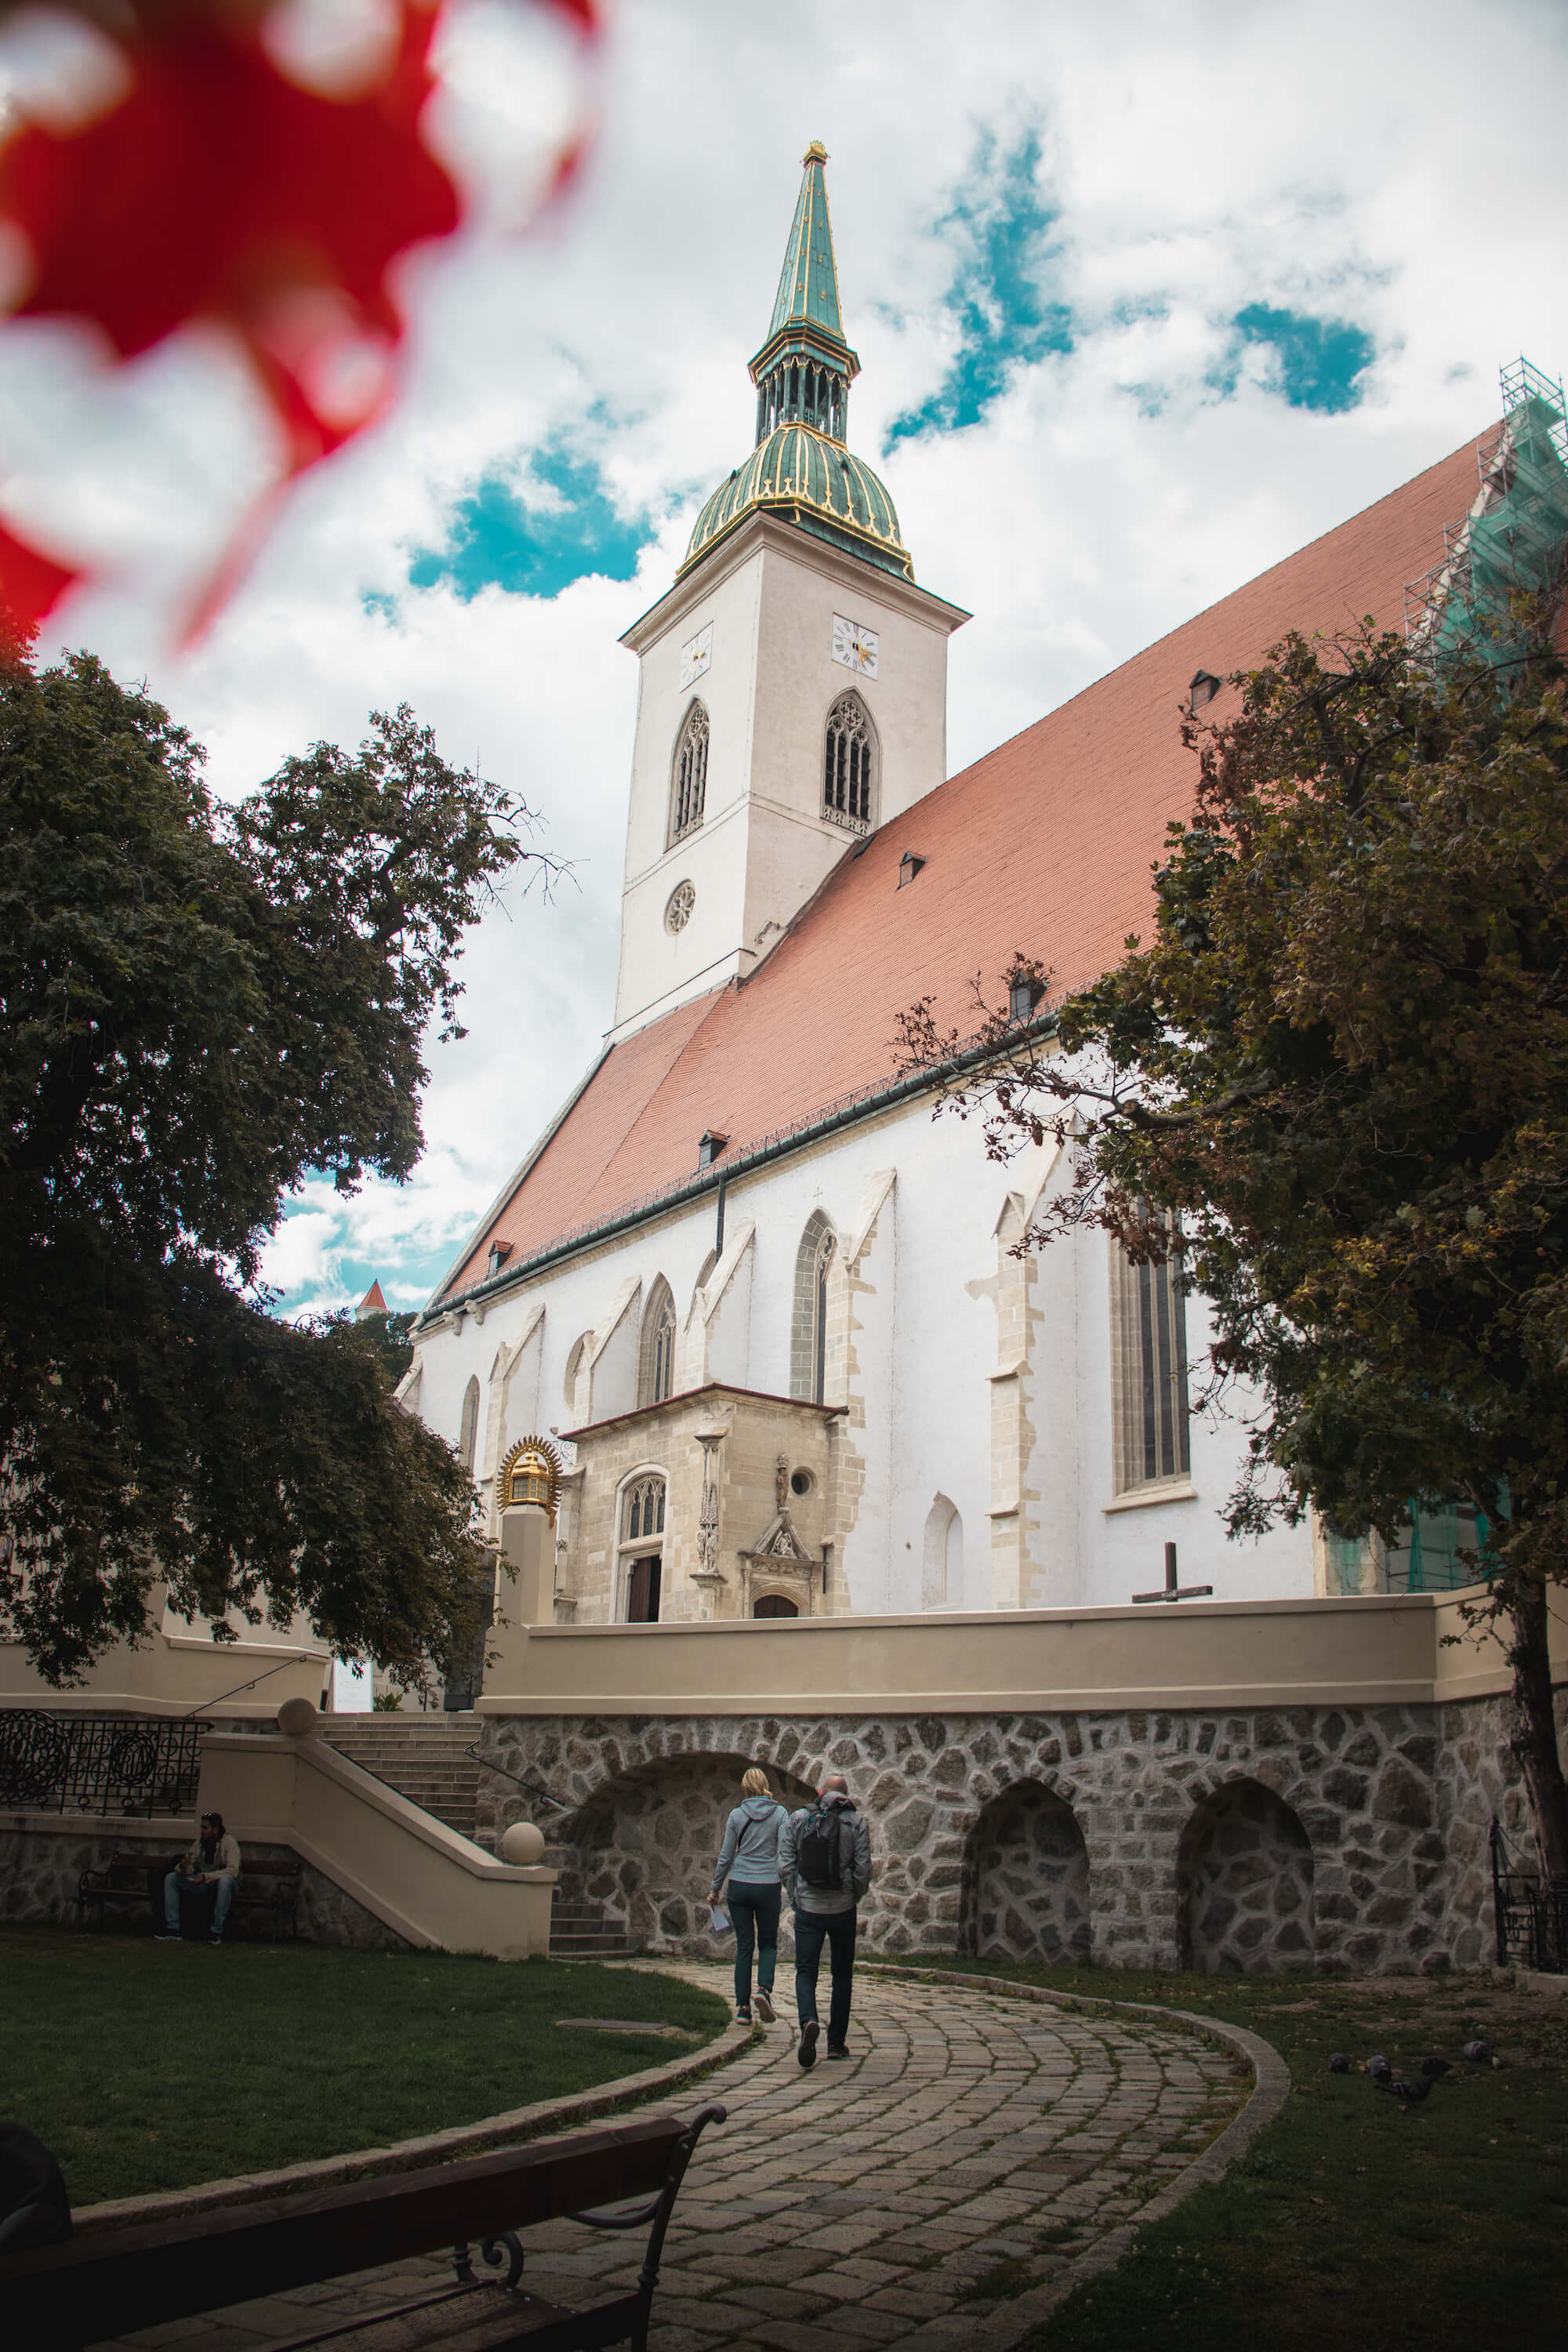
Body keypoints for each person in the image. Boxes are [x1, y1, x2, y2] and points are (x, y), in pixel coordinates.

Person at [778, 1771, 872, 2068]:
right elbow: (863, 1869)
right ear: (845, 1795)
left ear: (820, 1792)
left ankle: (808, 2020)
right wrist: (853, 1896)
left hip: (808, 1908)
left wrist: (796, 1896)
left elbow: (786, 1864)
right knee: (842, 1975)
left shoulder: (798, 1819)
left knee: (806, 1970)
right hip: (843, 1909)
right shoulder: (857, 1822)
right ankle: (835, 2044)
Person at [708, 1766, 786, 2024]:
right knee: (768, 1943)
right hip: (767, 1886)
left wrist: (715, 1888)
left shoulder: (736, 1816)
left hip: (740, 1885)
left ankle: (742, 2009)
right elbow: (784, 1854)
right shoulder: (780, 1814)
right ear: (764, 1785)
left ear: (744, 1788)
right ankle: (763, 1989)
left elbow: (726, 1856)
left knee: (744, 1946)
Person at [157, 1812, 241, 1944]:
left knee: (225, 1882)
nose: (202, 1831)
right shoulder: (199, 1843)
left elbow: (233, 1871)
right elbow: (191, 1865)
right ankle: (173, 1929)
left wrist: (207, 1877)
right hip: (201, 1883)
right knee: (171, 1878)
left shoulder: (229, 1843)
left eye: (205, 1828)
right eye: (201, 1827)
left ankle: (216, 1931)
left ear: (215, 1828)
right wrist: (183, 1867)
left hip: (222, 1886)